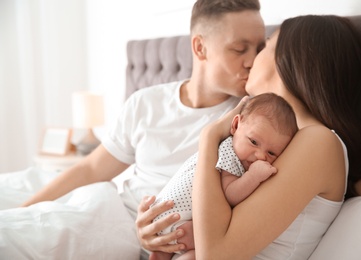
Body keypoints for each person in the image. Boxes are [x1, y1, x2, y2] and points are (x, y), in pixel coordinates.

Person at [5, 0, 265, 258]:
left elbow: (237, 208)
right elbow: (91, 168)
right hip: (108, 209)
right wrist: (23, 209)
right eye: (240, 49)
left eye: (260, 48)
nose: (252, 61)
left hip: (141, 235)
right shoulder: (146, 102)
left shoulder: (248, 125)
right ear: (200, 47)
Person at [136, 15, 361, 259]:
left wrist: (208, 139)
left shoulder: (319, 142)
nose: (250, 61)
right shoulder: (283, 140)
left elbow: (214, 255)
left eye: (264, 46)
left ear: (286, 61)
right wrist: (161, 233)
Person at [151, 93, 298, 260]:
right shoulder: (228, 153)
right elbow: (229, 194)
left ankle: (162, 255)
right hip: (177, 220)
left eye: (271, 153)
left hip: (166, 218)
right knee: (200, 249)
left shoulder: (234, 148)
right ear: (235, 125)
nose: (260, 156)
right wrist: (253, 177)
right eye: (254, 142)